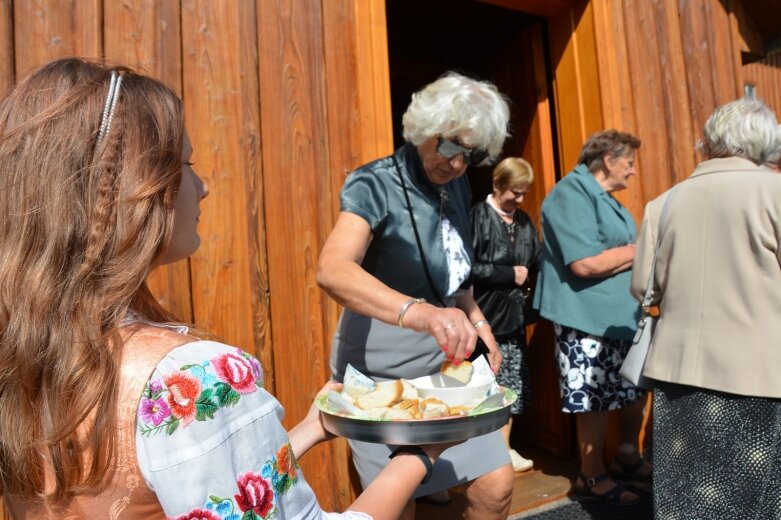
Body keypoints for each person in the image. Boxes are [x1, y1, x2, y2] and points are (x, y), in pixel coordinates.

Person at [0, 57, 456, 520]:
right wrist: (418, 457)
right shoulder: (187, 380)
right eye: (186, 164)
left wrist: (309, 428)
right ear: (137, 188)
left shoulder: (27, 347)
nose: (203, 187)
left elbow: (210, 494)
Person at [317, 72, 515, 520]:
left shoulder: (457, 184)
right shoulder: (373, 182)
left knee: (497, 484)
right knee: (396, 506)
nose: (458, 164)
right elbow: (332, 270)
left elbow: (455, 272)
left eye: (472, 154)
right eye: (449, 147)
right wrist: (420, 313)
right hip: (380, 372)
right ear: (424, 129)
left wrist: (481, 324)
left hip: (443, 364)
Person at [631, 97, 781, 518]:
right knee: (757, 500)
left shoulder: (664, 202)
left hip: (677, 375)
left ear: (711, 140)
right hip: (760, 376)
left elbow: (643, 287)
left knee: (687, 498)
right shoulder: (775, 191)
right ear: (764, 142)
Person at [532, 130, 650, 506]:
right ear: (608, 159)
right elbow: (584, 264)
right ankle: (591, 474)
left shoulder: (605, 199)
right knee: (593, 398)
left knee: (631, 392)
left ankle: (627, 458)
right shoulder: (571, 194)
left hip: (620, 315)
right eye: (629, 162)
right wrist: (638, 250)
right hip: (585, 316)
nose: (632, 172)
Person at [470, 157, 540, 473]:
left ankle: (504, 449)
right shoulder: (477, 217)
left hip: (513, 319)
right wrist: (507, 274)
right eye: (515, 192)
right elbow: (466, 268)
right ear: (497, 185)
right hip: (481, 319)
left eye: (524, 192)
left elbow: (536, 262)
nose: (521, 199)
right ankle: (483, 455)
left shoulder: (524, 222)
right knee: (482, 387)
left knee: (509, 385)